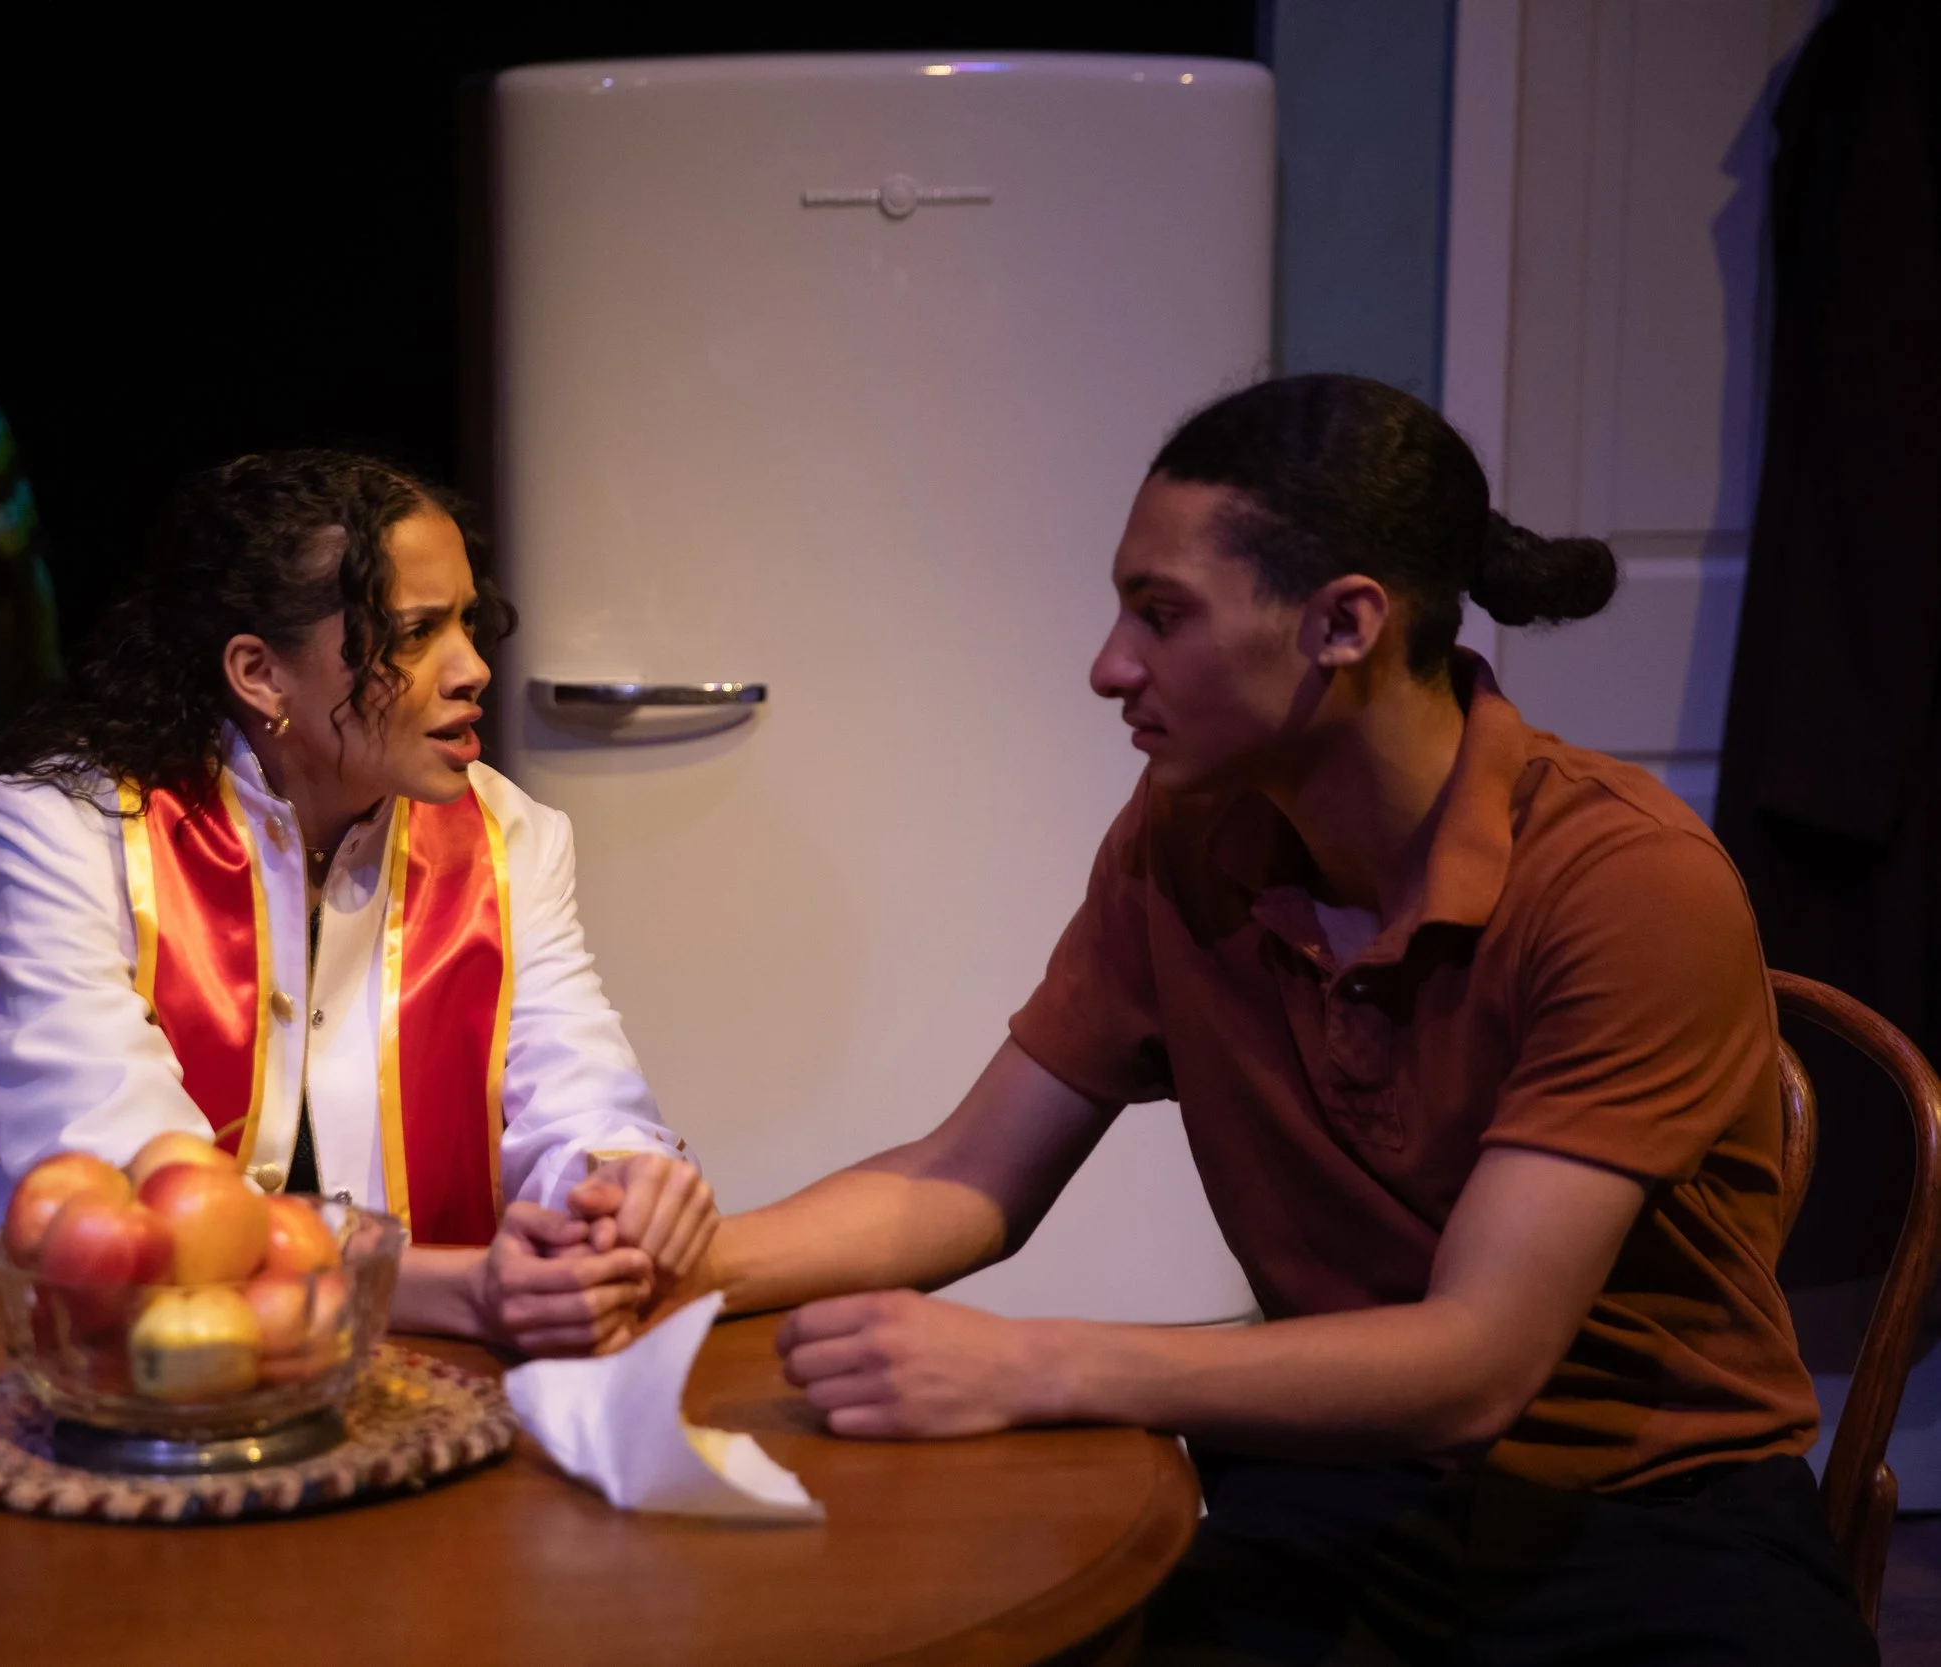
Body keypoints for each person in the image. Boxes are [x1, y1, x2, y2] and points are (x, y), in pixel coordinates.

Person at [688, 377, 1875, 1661]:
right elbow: (965, 1175)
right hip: (1338, 1489)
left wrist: (1030, 1363)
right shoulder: (1184, 837)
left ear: (1342, 624)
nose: (1108, 666)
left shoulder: (1624, 882)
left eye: (1161, 614)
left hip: (1651, 1526)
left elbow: (1475, 1363)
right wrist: (672, 1270)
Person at [0, 450, 716, 1357]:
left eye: (466, 621)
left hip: (407, 1365)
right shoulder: (66, 826)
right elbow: (137, 1184)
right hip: (108, 1360)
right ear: (260, 673)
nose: (472, 668)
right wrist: (453, 1290)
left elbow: (580, 1095)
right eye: (414, 634)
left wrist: (621, 1187)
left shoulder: (512, 837)